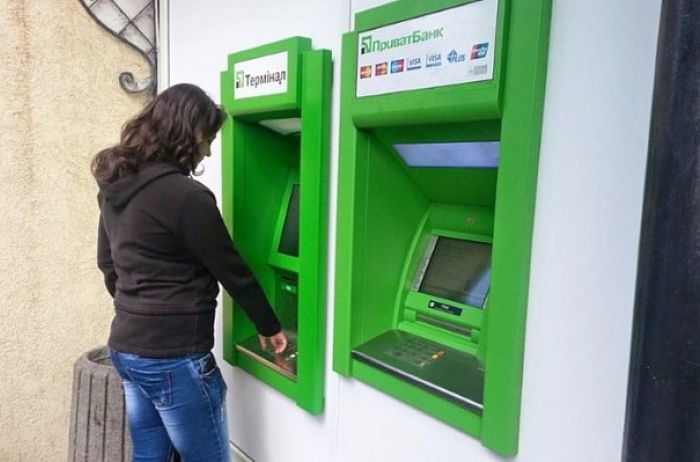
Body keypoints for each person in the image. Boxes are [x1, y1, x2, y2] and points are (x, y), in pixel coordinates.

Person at [93, 83, 287, 462]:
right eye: (208, 138)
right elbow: (232, 271)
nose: (209, 150)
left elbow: (107, 262)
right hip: (174, 357)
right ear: (189, 132)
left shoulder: (117, 186)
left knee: (150, 453)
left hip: (127, 347)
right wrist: (269, 326)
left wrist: (139, 309)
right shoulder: (187, 197)